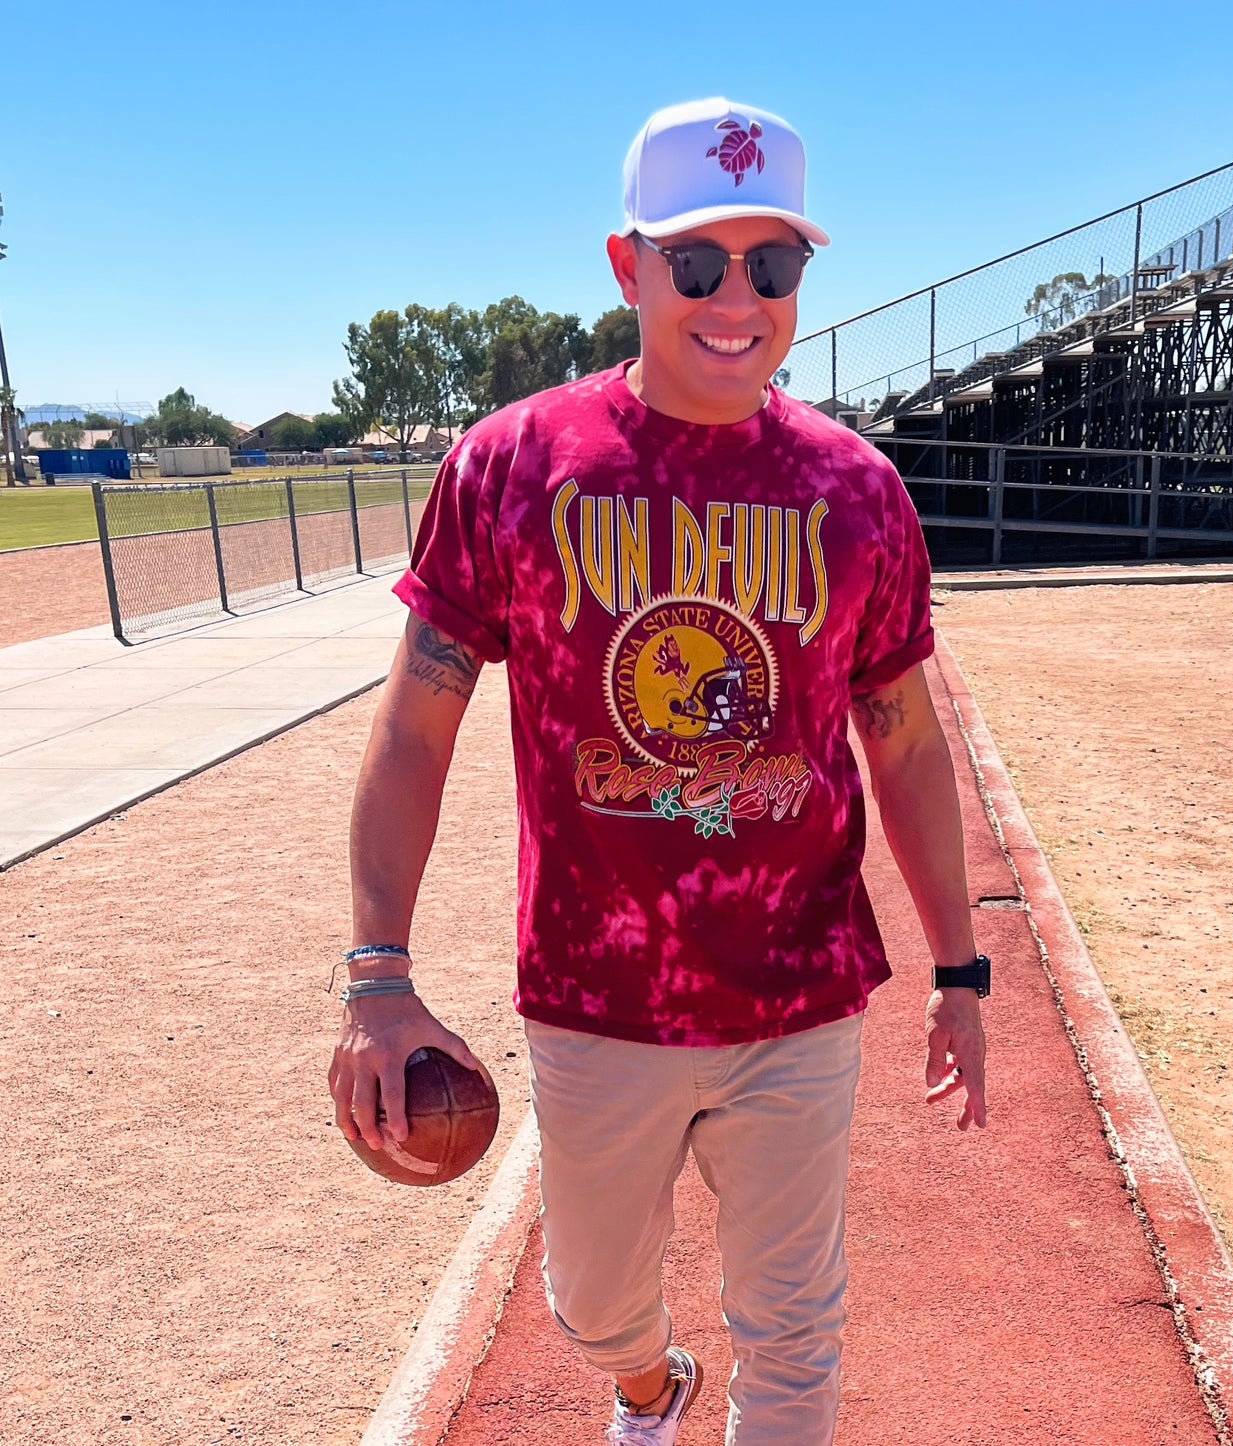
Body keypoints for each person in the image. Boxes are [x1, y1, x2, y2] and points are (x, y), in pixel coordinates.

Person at [328, 97, 988, 1446]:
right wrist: (378, 979)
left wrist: (959, 967)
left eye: (772, 265)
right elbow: (414, 724)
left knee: (794, 1330)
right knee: (592, 1303)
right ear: (629, 269)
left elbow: (906, 740)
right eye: (696, 264)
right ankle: (647, 1384)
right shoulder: (514, 465)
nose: (734, 297)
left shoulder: (856, 492)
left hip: (798, 993)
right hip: (590, 995)